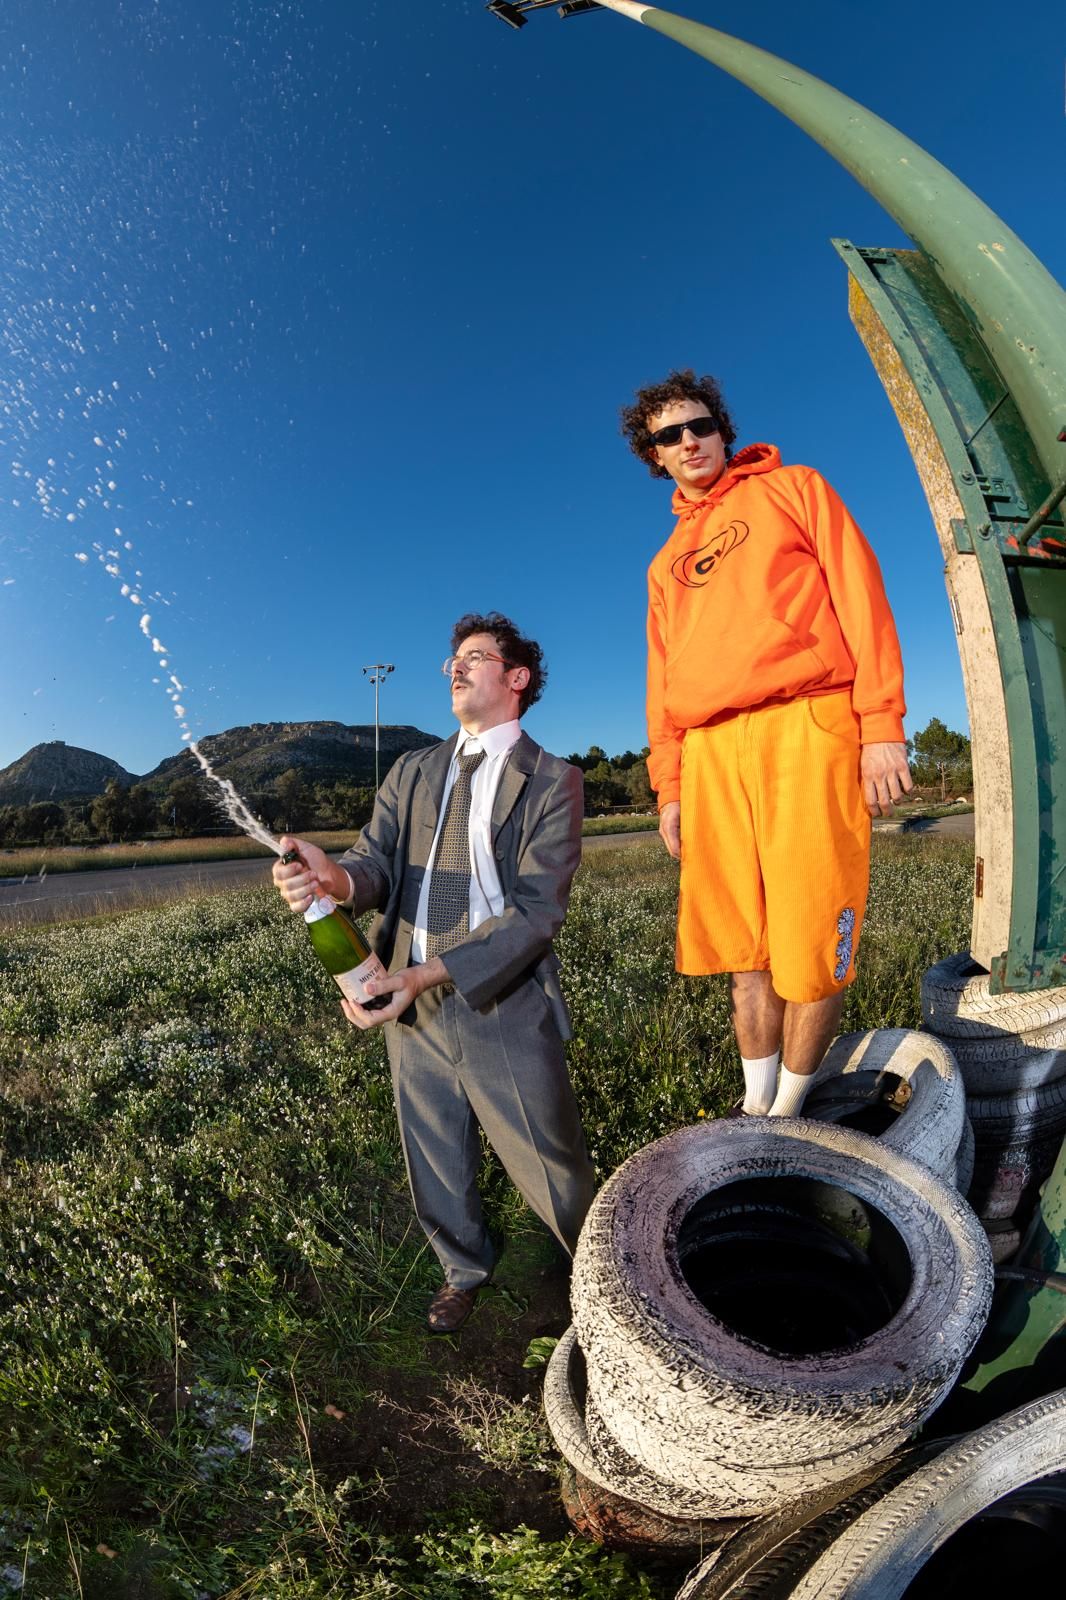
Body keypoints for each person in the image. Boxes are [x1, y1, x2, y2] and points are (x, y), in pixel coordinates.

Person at [273, 612, 595, 1333]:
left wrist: (432, 974)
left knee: (550, 1158)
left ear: (516, 679)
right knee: (434, 1147)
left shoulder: (553, 782)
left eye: (474, 657)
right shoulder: (413, 770)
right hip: (409, 996)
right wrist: (337, 877)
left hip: (499, 994)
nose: (454, 667)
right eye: (452, 659)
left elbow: (537, 913)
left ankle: (600, 1272)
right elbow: (373, 865)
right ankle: (463, 1270)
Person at [621, 369, 912, 1118]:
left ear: (723, 431)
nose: (687, 442)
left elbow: (862, 597)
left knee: (811, 939)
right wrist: (672, 787)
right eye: (668, 436)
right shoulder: (663, 566)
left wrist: (880, 726)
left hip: (805, 721)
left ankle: (790, 1116)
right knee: (742, 950)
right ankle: (755, 1113)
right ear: (652, 455)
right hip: (711, 752)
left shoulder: (796, 488)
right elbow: (661, 686)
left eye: (699, 427)